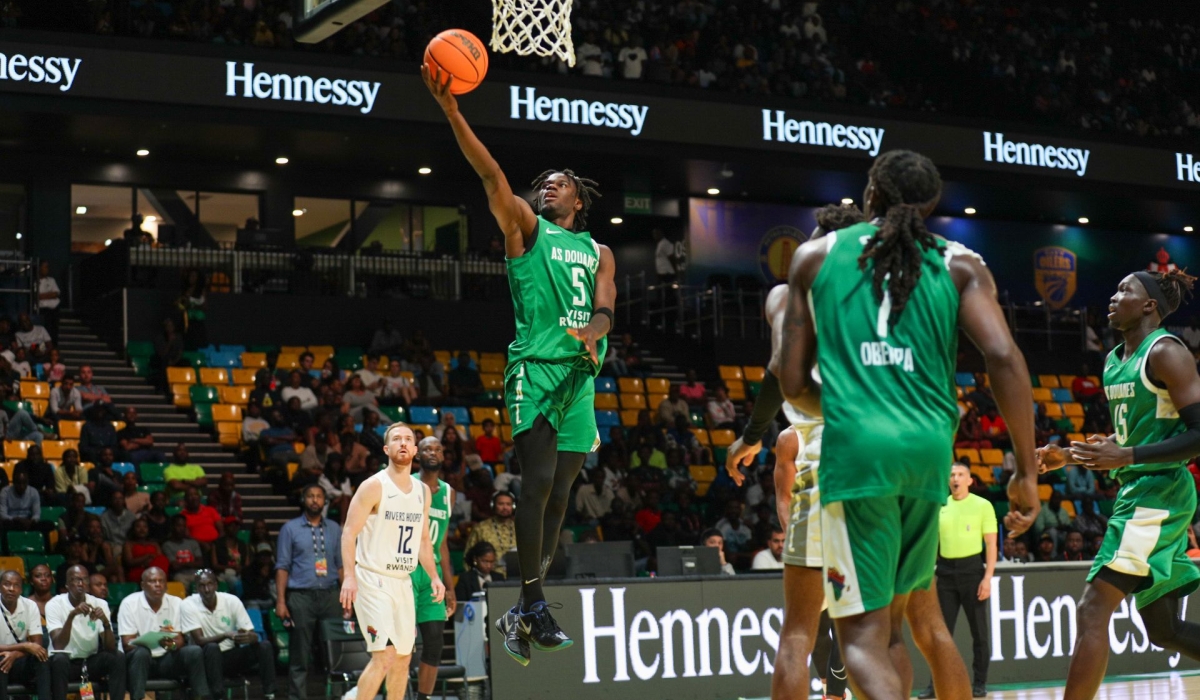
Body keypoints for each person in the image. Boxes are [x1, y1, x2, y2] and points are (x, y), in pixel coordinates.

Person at [777, 150, 1039, 700]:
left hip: (858, 453)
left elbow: (793, 380)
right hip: (929, 452)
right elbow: (1004, 357)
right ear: (932, 205)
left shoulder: (815, 256)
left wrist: (856, 402)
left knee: (861, 635)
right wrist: (1026, 471)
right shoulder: (961, 263)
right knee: (899, 626)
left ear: (871, 194)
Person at [425, 62, 617, 664]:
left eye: (559, 183)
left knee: (560, 497)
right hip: (535, 369)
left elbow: (607, 304)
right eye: (544, 184)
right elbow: (491, 175)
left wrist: (596, 329)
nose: (548, 188)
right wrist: (453, 111)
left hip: (580, 377)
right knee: (535, 485)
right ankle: (532, 602)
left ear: (579, 198)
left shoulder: (599, 250)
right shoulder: (526, 229)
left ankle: (522, 611)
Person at [1038, 269, 1200, 700]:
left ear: (1149, 305)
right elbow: (1127, 439)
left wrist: (1126, 457)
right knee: (1163, 630)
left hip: (1158, 493)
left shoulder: (1166, 352)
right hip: (1141, 491)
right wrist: (1067, 456)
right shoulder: (1114, 361)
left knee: (1093, 609)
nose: (1113, 296)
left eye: (1124, 290)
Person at [339, 423, 444, 700]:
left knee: (403, 658)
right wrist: (349, 576)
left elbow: (423, 541)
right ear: (386, 449)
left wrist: (434, 576)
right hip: (373, 579)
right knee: (384, 655)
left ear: (415, 450)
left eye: (408, 439)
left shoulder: (423, 492)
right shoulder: (373, 486)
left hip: (403, 581)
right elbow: (348, 533)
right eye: (397, 439)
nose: (403, 443)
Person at [916, 463, 998, 699]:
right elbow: (931, 543)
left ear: (969, 481)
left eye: (961, 475)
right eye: (952, 475)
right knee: (939, 634)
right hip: (945, 572)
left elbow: (991, 544)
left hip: (972, 571)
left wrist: (988, 578)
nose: (956, 478)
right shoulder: (940, 505)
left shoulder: (982, 505)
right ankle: (935, 685)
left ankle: (980, 683)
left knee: (979, 634)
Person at [275, 484, 343, 700]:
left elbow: (341, 565)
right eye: (311, 496)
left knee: (335, 652)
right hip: (301, 597)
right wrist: (281, 601)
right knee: (300, 653)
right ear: (303, 500)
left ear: (325, 501)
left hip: (331, 595)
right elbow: (282, 566)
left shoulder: (335, 529)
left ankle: (338, 696)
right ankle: (297, 697)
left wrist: (347, 598)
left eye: (319, 496)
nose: (315, 500)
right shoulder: (290, 529)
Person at [408, 436, 458, 700]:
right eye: (427, 448)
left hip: (433, 575)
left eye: (438, 449)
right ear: (418, 455)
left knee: (435, 641)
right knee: (400, 644)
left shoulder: (449, 493)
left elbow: (443, 545)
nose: (433, 452)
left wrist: (450, 588)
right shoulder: (406, 484)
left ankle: (423, 697)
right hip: (405, 570)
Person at [119, 567, 208, 700]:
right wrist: (153, 640)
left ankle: (200, 696)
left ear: (166, 585)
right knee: (141, 653)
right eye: (152, 581)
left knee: (194, 651)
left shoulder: (176, 603)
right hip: (140, 662)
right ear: (143, 585)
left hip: (166, 659)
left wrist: (170, 644)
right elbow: (127, 643)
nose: (158, 585)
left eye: (161, 581)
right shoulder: (129, 603)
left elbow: (179, 641)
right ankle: (137, 698)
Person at [185, 570, 276, 700]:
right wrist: (226, 635)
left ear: (216, 585)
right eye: (202, 585)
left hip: (229, 656)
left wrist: (250, 637)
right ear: (196, 588)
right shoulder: (188, 604)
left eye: (210, 584)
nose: (207, 589)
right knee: (212, 647)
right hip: (205, 659)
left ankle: (270, 693)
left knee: (265, 645)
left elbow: (249, 632)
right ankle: (218, 696)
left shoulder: (232, 601)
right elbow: (199, 640)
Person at [47, 565, 126, 700]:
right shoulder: (54, 604)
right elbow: (59, 645)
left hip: (89, 663)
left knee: (117, 656)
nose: (81, 583)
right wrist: (72, 616)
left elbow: (110, 647)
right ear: (67, 584)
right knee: (59, 659)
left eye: (84, 580)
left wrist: (105, 622)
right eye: (76, 580)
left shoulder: (100, 604)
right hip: (66, 665)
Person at [0, 569, 51, 700]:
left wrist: (14, 655)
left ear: (21, 590)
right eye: (7, 584)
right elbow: (29, 646)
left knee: (41, 657)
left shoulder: (30, 606)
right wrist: (24, 645)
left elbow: (37, 645)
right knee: (2, 660)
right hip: (1, 660)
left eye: (16, 585)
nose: (11, 589)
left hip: (19, 661)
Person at [463, 491, 517, 578]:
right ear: (493, 505)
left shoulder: (520, 528)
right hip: (489, 578)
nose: (505, 507)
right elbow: (468, 557)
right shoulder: (481, 528)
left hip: (517, 577)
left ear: (513, 506)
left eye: (508, 504)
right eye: (501, 504)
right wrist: (474, 581)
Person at [161, 515, 204, 586]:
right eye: (179, 526)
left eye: (184, 526)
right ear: (172, 527)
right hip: (179, 574)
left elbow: (200, 563)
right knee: (181, 581)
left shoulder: (193, 543)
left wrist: (182, 564)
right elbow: (175, 566)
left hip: (196, 572)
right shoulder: (167, 545)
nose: (182, 529)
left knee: (206, 578)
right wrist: (192, 563)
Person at [124, 517, 170, 583]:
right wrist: (147, 556)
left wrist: (150, 564)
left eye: (145, 527)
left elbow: (159, 558)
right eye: (138, 527)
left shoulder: (154, 544)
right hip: (138, 572)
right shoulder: (129, 544)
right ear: (133, 529)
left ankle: (155, 580)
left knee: (163, 559)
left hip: (154, 570)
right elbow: (129, 562)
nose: (142, 529)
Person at [36, 261, 61, 342]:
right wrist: (49, 295)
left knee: (54, 331)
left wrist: (42, 296)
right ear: (39, 268)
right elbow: (36, 296)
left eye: (48, 267)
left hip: (53, 309)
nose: (47, 269)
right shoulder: (34, 281)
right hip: (41, 310)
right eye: (45, 267)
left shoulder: (51, 280)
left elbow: (56, 294)